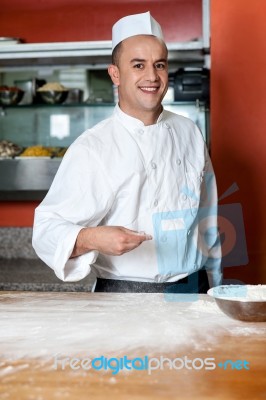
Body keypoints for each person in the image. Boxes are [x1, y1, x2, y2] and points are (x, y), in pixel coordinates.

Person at [32, 11, 222, 293]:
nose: (152, 76)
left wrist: (217, 288)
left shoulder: (190, 132)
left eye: (159, 65)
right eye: (138, 65)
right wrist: (91, 237)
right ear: (115, 74)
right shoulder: (92, 147)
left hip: (194, 289)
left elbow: (209, 219)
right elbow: (45, 231)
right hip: (123, 294)